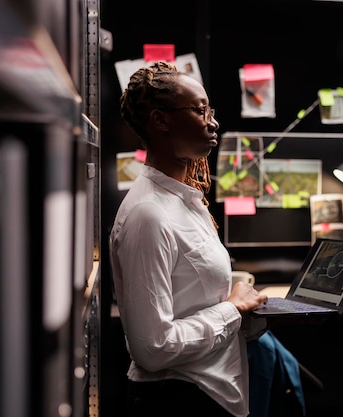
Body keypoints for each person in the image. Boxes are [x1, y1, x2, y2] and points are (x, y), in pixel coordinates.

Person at [110, 61, 269, 417]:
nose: (212, 121)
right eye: (199, 110)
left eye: (210, 110)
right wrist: (232, 308)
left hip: (208, 394)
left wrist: (251, 312)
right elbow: (152, 349)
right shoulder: (147, 214)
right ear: (160, 121)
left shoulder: (185, 200)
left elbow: (193, 301)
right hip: (179, 399)